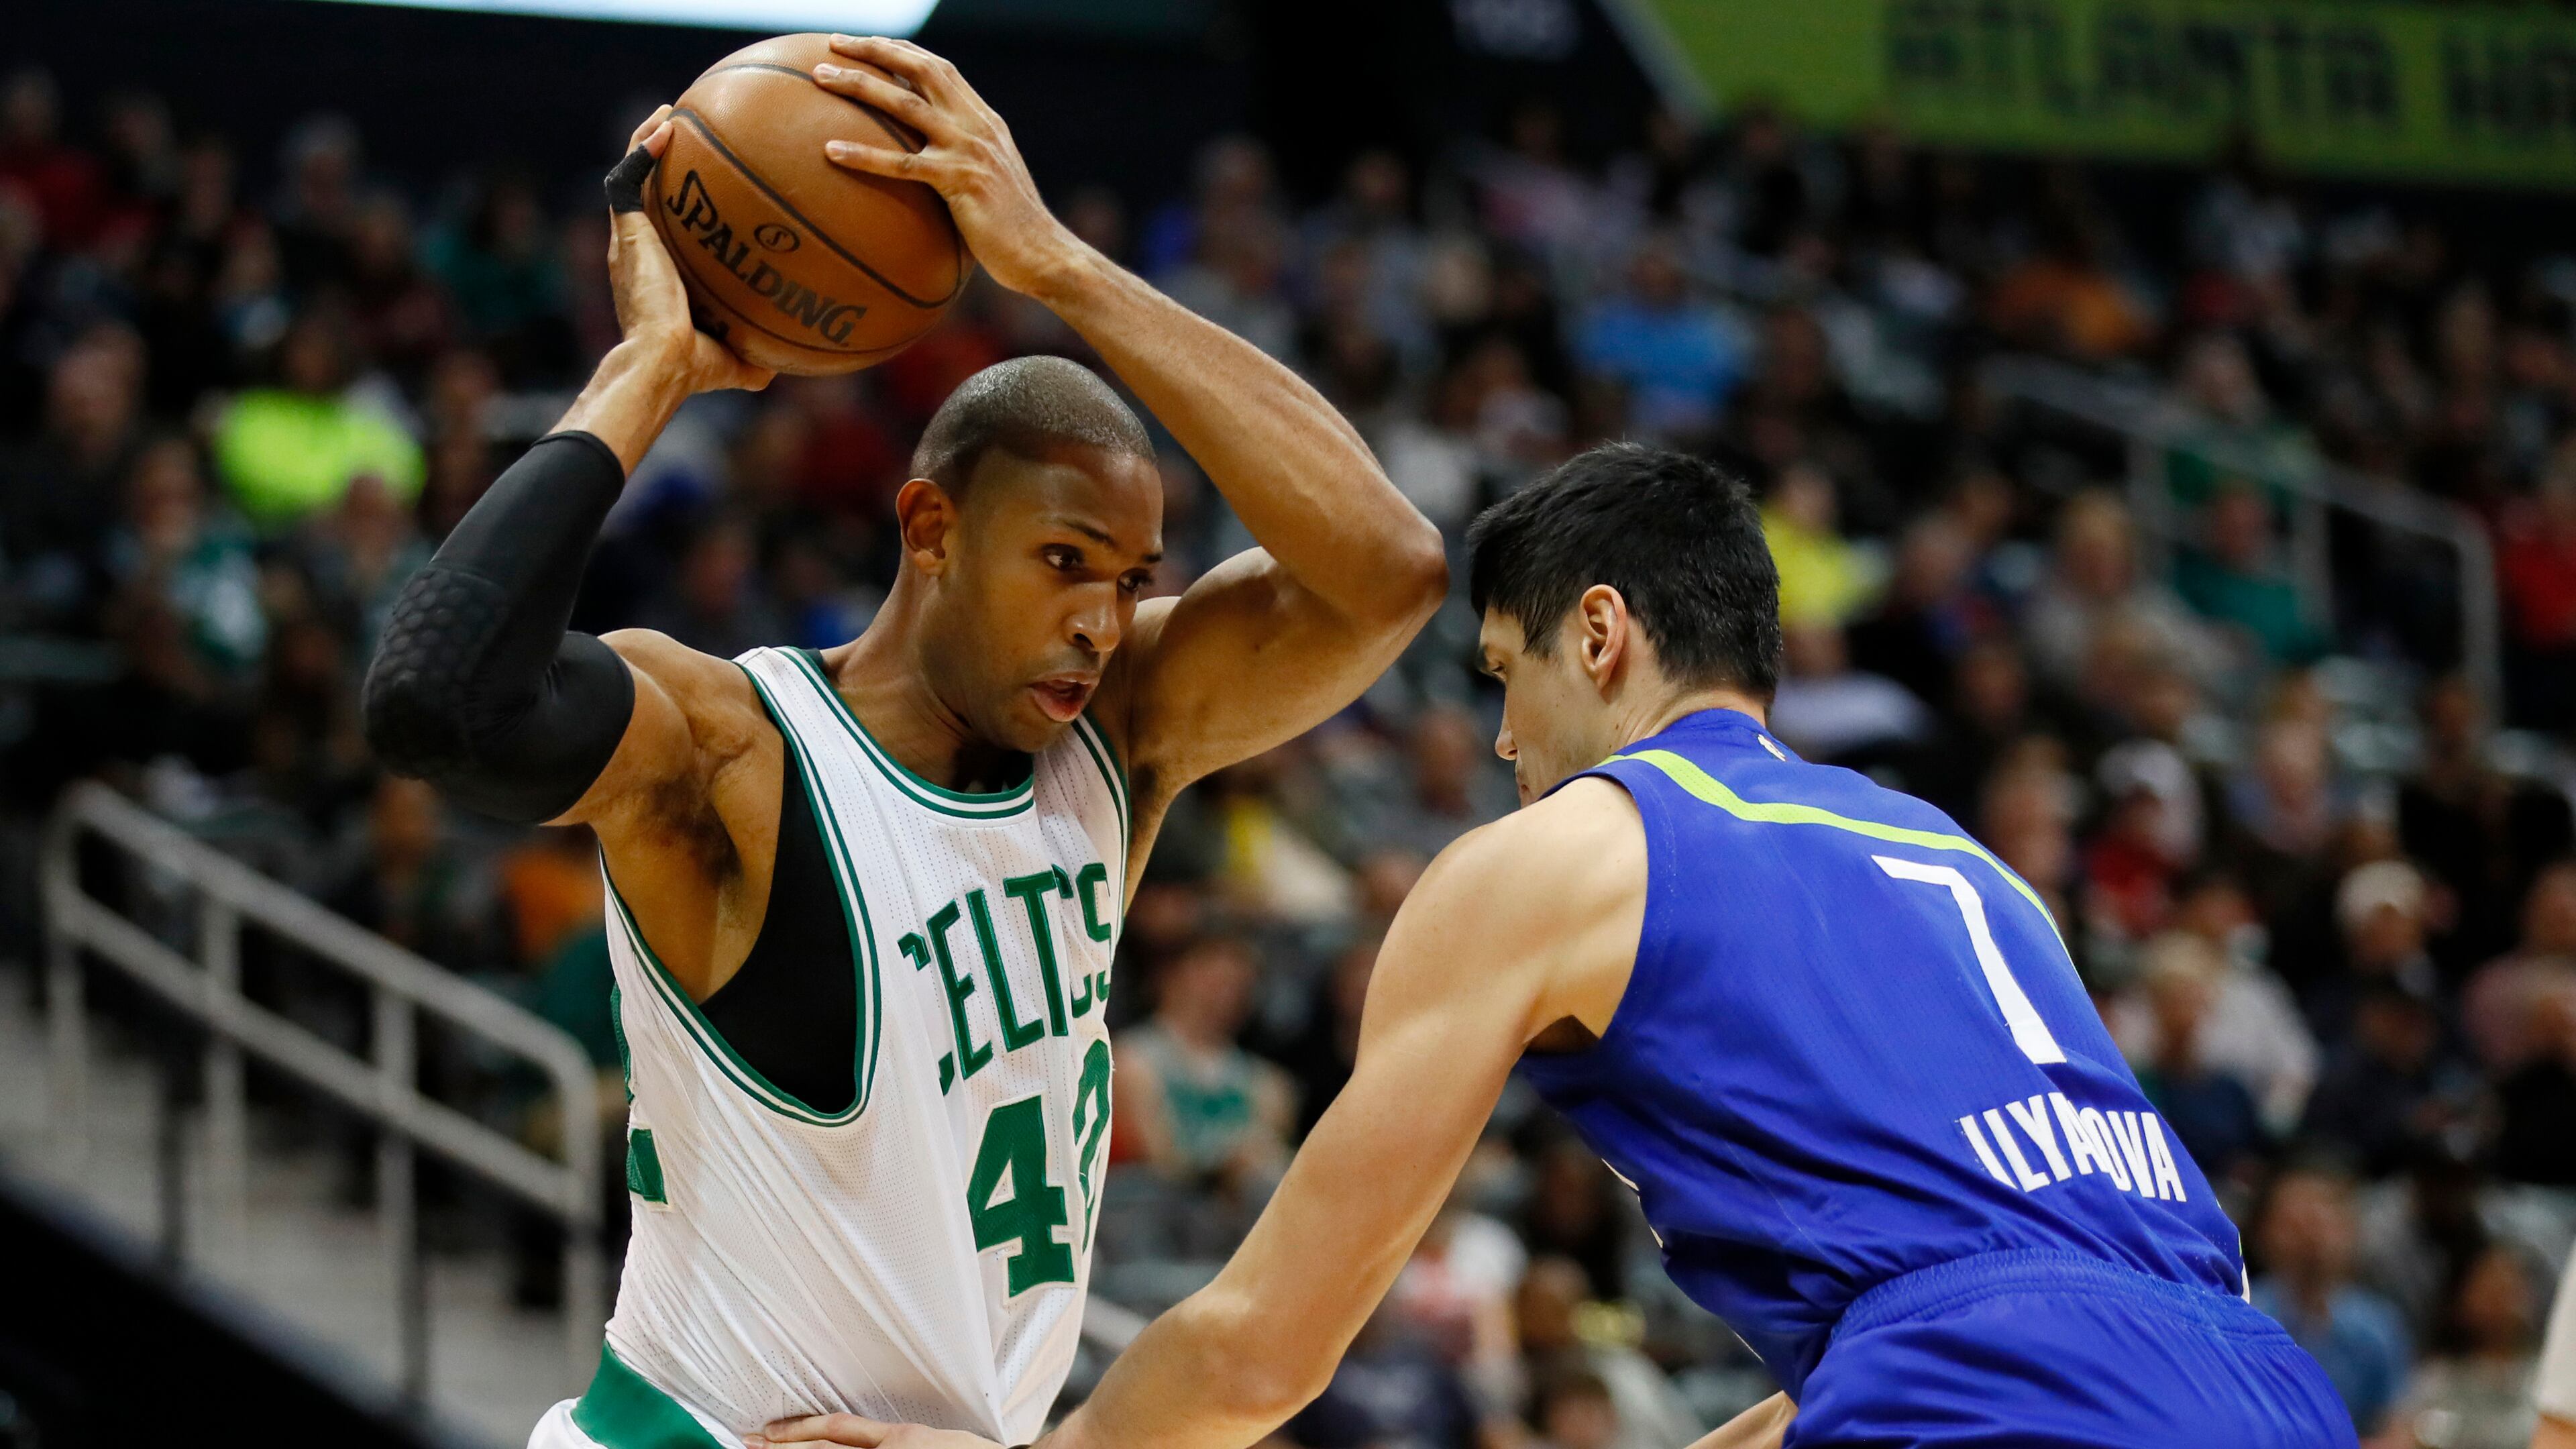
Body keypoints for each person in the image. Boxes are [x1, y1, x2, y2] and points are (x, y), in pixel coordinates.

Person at [759, 444, 2351, 1449]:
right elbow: (2015, 1314)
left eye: (1504, 674)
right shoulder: (1970, 865)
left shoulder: (1565, 855)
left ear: (1600, 634)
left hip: (1989, 1394)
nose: (1505, 740)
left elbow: (1262, 1353)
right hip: (2267, 1389)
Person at [360, 38, 1444, 1449]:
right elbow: (435, 702)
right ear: (930, 528)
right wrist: (650, 370)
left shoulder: (1121, 737)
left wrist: (1060, 268)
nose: (1101, 622)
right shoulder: (736, 751)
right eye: (1064, 562)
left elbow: (1389, 572)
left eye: (1129, 580)